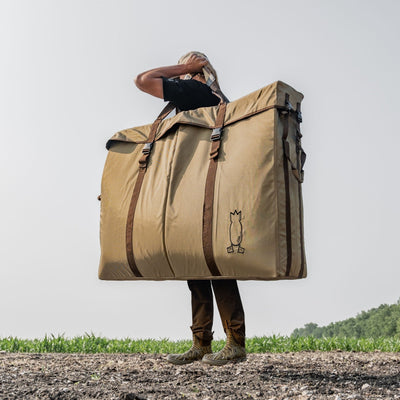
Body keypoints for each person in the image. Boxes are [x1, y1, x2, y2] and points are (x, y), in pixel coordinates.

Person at [134, 51, 246, 366]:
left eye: (189, 68)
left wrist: (186, 68)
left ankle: (230, 343)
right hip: (207, 190)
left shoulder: (196, 92)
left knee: (210, 266)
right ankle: (204, 344)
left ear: (198, 71)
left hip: (198, 191)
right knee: (198, 266)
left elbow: (143, 80)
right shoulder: (217, 100)